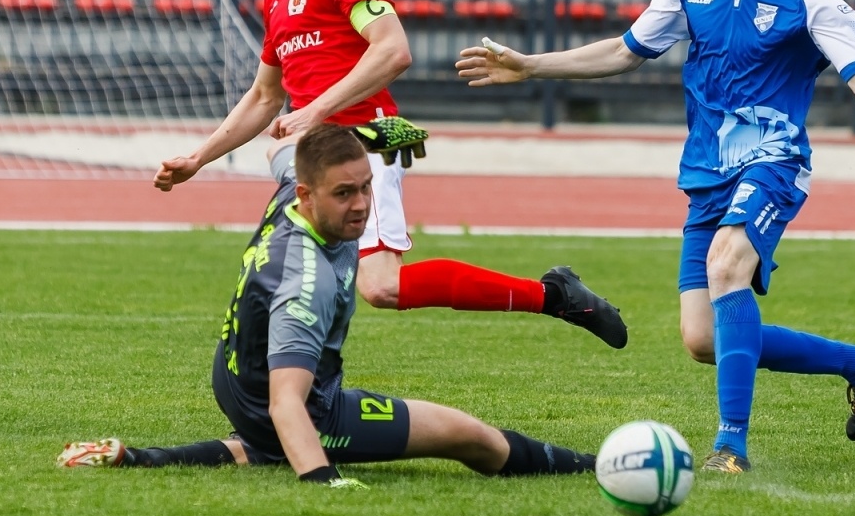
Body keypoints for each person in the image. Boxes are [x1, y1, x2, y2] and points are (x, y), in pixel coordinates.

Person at [456, 0, 855, 474]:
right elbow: (626, 52)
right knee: (702, 339)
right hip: (706, 172)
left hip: (774, 160)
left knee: (727, 263)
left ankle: (730, 446)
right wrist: (530, 64)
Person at [154, 0, 627, 349]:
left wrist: (314, 110)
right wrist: (199, 159)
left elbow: (393, 49)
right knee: (301, 265)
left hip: (366, 141)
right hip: (319, 150)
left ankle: (553, 295)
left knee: (380, 285)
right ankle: (297, 390)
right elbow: (265, 96)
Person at [62, 124, 596, 485]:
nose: (362, 205)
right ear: (309, 198)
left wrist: (365, 134)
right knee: (468, 436)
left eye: (366, 187)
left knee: (260, 443)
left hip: (233, 376)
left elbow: (282, 144)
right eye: (345, 193)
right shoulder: (306, 281)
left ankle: (140, 458)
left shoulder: (295, 187)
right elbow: (287, 404)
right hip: (297, 405)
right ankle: (598, 469)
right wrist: (325, 483)